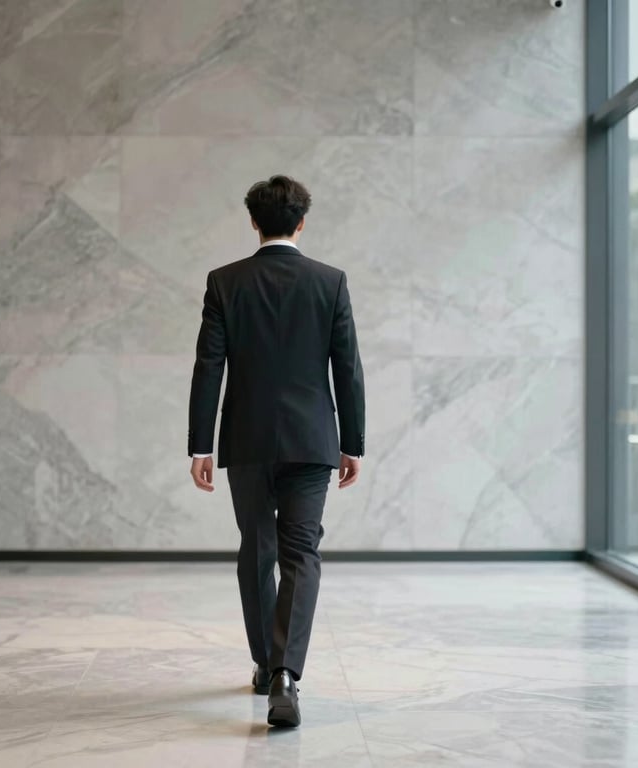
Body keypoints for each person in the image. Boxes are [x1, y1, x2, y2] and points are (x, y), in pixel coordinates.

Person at [188, 175, 365, 728]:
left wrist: (200, 445)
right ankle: (287, 674)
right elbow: (348, 368)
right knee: (301, 553)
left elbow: (208, 366)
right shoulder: (330, 282)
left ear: (254, 222)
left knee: (257, 549)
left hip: (246, 440)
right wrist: (352, 443)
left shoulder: (225, 282)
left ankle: (267, 665)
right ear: (302, 222)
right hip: (314, 441)